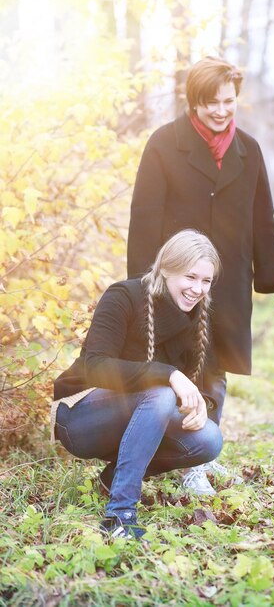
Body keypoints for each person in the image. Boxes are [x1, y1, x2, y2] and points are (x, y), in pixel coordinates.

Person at [127, 57, 274, 494]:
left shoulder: (250, 149)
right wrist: (141, 285)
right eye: (211, 103)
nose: (221, 111)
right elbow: (144, 218)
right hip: (176, 281)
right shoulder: (164, 144)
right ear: (194, 102)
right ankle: (188, 462)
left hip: (229, 278)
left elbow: (264, 219)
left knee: (216, 367)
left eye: (229, 101)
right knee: (184, 366)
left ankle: (205, 452)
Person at [51, 230, 223, 540]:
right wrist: (168, 373)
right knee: (159, 392)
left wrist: (202, 406)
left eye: (206, 281)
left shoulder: (198, 316)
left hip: (139, 414)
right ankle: (120, 515)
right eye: (190, 277)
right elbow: (97, 367)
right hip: (80, 415)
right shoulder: (123, 296)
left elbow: (208, 380)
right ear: (167, 269)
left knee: (209, 440)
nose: (198, 289)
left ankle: (109, 480)